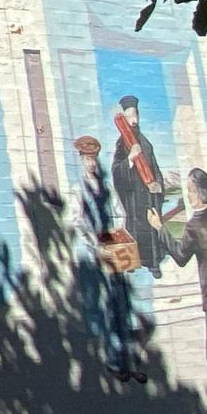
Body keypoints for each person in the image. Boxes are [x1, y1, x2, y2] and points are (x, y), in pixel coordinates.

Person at [74, 136, 145, 384]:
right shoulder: (79, 189)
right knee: (108, 308)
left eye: (93, 159)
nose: (91, 164)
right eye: (87, 159)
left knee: (123, 304)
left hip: (114, 246)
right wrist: (94, 241)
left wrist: (120, 235)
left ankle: (131, 361)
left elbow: (119, 211)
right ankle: (116, 362)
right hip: (98, 252)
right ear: (81, 160)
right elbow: (77, 221)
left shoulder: (105, 187)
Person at [158, 168, 207, 404]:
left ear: (198, 193)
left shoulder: (194, 226)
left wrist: (160, 228)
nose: (187, 194)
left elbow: (179, 256)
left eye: (189, 190)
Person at [113, 96, 170, 277]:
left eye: (135, 115)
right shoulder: (122, 143)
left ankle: (153, 263)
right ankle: (130, 262)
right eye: (129, 116)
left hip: (148, 197)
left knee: (151, 229)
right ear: (124, 118)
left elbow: (156, 169)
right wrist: (129, 158)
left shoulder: (146, 144)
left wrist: (158, 186)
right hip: (133, 196)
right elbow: (116, 170)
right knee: (134, 229)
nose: (134, 120)